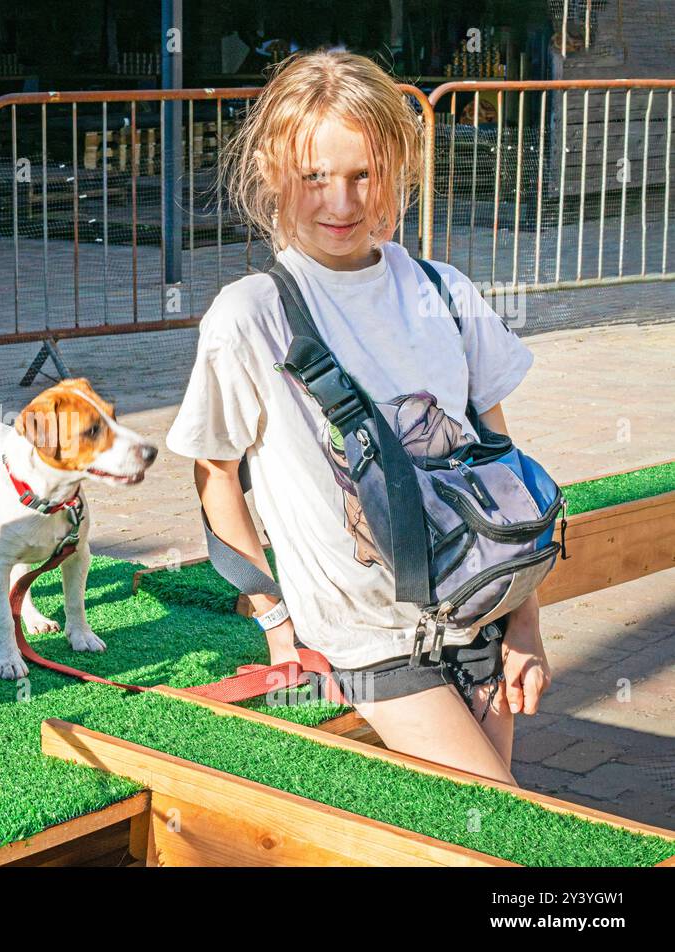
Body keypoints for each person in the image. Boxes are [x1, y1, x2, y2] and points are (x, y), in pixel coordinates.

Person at [166, 50, 550, 785]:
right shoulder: (253, 315)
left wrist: (526, 626)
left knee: (494, 830)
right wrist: (276, 621)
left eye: (362, 175)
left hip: (480, 609)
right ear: (276, 174)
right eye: (314, 177)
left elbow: (504, 468)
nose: (339, 203)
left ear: (398, 170)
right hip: (369, 639)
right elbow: (216, 476)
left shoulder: (446, 290)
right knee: (501, 830)